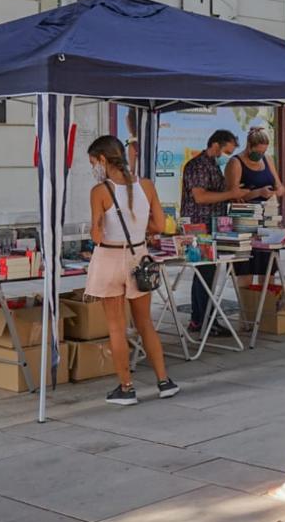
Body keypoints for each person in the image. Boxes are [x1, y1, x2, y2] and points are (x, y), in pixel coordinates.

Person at [85, 136, 178, 405]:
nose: (94, 168)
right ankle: (164, 381)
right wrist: (138, 229)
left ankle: (126, 388)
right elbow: (159, 225)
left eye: (94, 163)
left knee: (116, 327)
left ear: (103, 160)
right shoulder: (146, 185)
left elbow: (96, 235)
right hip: (139, 256)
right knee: (145, 322)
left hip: (110, 258)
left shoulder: (100, 191)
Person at [180, 130, 250, 335]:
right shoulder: (198, 166)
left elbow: (219, 194)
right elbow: (200, 197)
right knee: (205, 274)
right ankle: (204, 320)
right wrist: (231, 193)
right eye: (226, 151)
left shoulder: (211, 165)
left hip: (213, 226)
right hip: (199, 227)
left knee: (207, 274)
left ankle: (200, 319)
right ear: (216, 145)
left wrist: (236, 195)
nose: (226, 157)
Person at [224, 127, 284, 278]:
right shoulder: (236, 163)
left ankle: (266, 300)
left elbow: (281, 187)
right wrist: (258, 193)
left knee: (268, 270)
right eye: (258, 152)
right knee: (245, 271)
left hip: (266, 220)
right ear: (249, 146)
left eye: (264, 152)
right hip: (244, 222)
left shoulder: (268, 160)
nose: (261, 155)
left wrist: (275, 192)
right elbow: (233, 196)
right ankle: (248, 301)